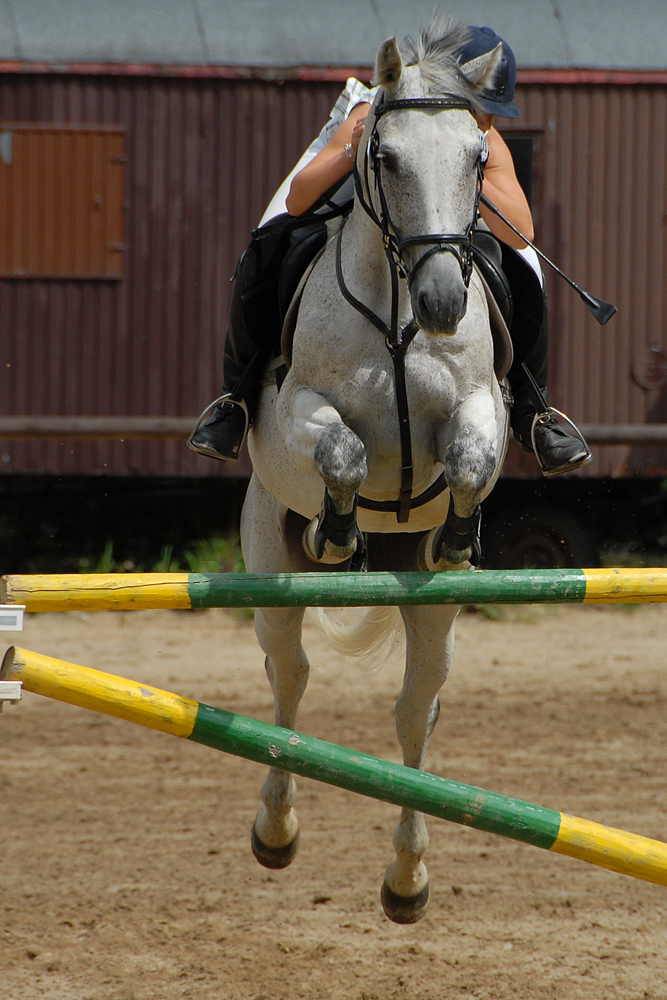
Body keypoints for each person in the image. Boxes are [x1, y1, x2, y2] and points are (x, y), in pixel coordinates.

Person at [188, 25, 592, 477]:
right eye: (483, 107)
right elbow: (300, 199)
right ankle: (235, 401)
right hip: (365, 163)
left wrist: (450, 175)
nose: (488, 120)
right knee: (273, 239)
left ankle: (534, 412)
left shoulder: (483, 135)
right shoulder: (369, 106)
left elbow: (520, 232)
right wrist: (352, 148)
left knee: (523, 264)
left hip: (442, 200)